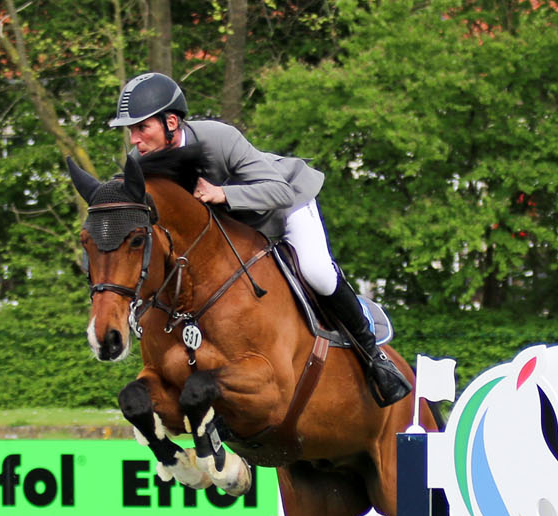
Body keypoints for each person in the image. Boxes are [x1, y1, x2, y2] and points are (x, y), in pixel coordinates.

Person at [108, 72, 412, 407]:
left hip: (286, 204)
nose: (135, 139)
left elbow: (279, 192)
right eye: (131, 131)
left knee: (317, 273)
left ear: (170, 122)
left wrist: (221, 193)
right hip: (235, 230)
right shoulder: (140, 162)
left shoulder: (218, 139)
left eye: (141, 128)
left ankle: (373, 356)